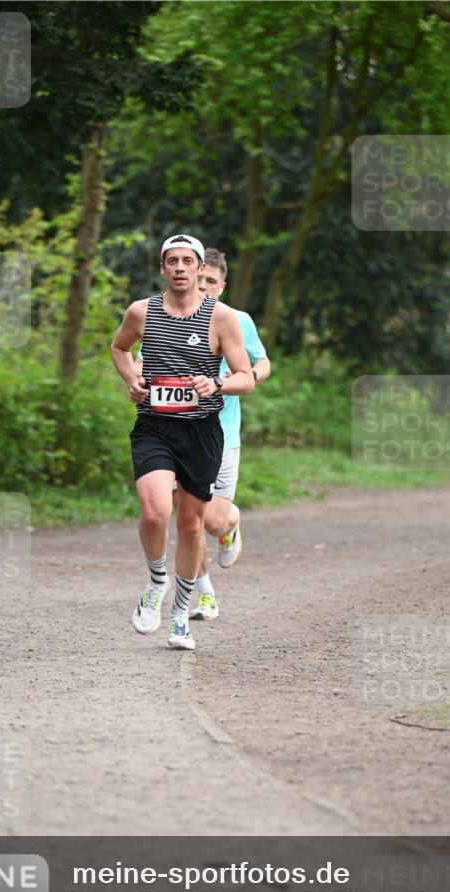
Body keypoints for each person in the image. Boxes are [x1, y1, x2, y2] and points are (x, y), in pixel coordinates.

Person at [110, 234, 254, 651]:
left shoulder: (221, 317)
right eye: (171, 261)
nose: (178, 268)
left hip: (202, 433)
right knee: (155, 514)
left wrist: (218, 383)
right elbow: (119, 348)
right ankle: (156, 583)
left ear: (198, 269)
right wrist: (132, 380)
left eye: (186, 261)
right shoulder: (141, 312)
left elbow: (246, 377)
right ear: (162, 268)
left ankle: (180, 617)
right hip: (155, 426)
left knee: (192, 525)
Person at [189, 248, 271, 620]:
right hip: (177, 433)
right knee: (188, 521)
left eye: (211, 282)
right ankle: (205, 595)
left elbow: (262, 362)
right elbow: (145, 360)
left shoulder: (237, 320)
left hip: (222, 433)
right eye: (199, 278)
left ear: (222, 286)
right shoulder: (169, 316)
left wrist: (247, 378)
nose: (203, 287)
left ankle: (231, 522)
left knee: (212, 522)